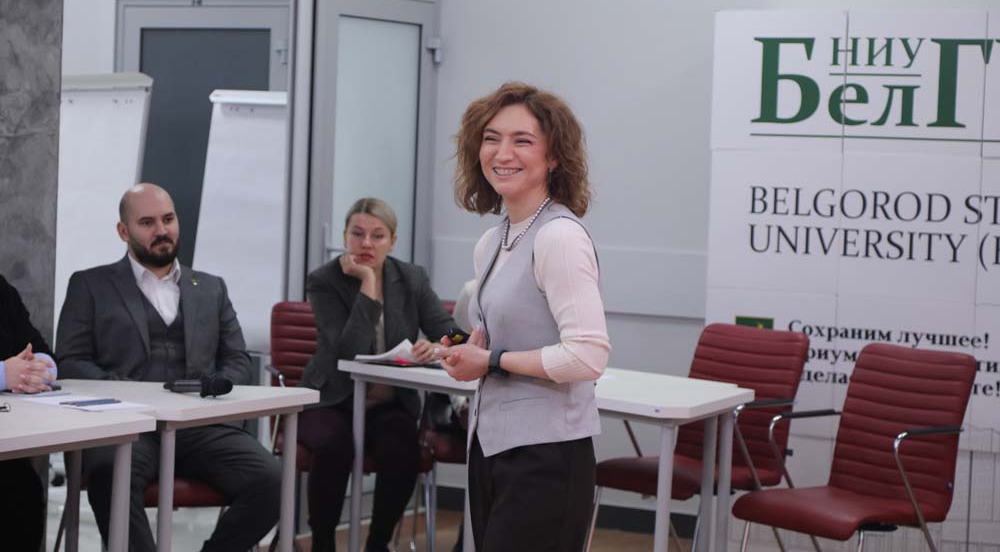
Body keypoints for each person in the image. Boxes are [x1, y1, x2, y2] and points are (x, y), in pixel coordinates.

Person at [55, 183, 280, 552]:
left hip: (202, 426)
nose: (161, 230)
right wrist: (125, 394)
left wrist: (215, 389)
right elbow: (70, 361)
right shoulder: (89, 285)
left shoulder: (212, 288)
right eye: (147, 222)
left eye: (168, 219)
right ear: (123, 231)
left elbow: (237, 359)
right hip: (126, 427)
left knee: (273, 479)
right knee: (111, 476)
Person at [438, 81, 611, 551]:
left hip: (547, 457)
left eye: (522, 140)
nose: (502, 153)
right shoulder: (492, 242)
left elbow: (587, 356)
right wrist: (467, 354)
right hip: (491, 446)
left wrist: (492, 361)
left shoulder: (560, 237)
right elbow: (505, 339)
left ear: (553, 157)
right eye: (491, 138)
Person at [298, 197, 456, 552]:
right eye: (357, 234)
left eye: (377, 235)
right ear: (345, 237)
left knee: (403, 447)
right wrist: (368, 281)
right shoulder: (324, 280)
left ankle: (378, 543)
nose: (366, 243)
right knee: (335, 446)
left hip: (389, 402)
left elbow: (453, 333)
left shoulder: (411, 278)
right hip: (332, 399)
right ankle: (322, 543)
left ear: (393, 241)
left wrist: (436, 346)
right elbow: (348, 350)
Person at [0, 273, 59, 551]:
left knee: (24, 491)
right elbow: (8, 373)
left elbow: (42, 351)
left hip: (7, 445)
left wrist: (38, 371)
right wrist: (3, 374)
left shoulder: (1, 290)